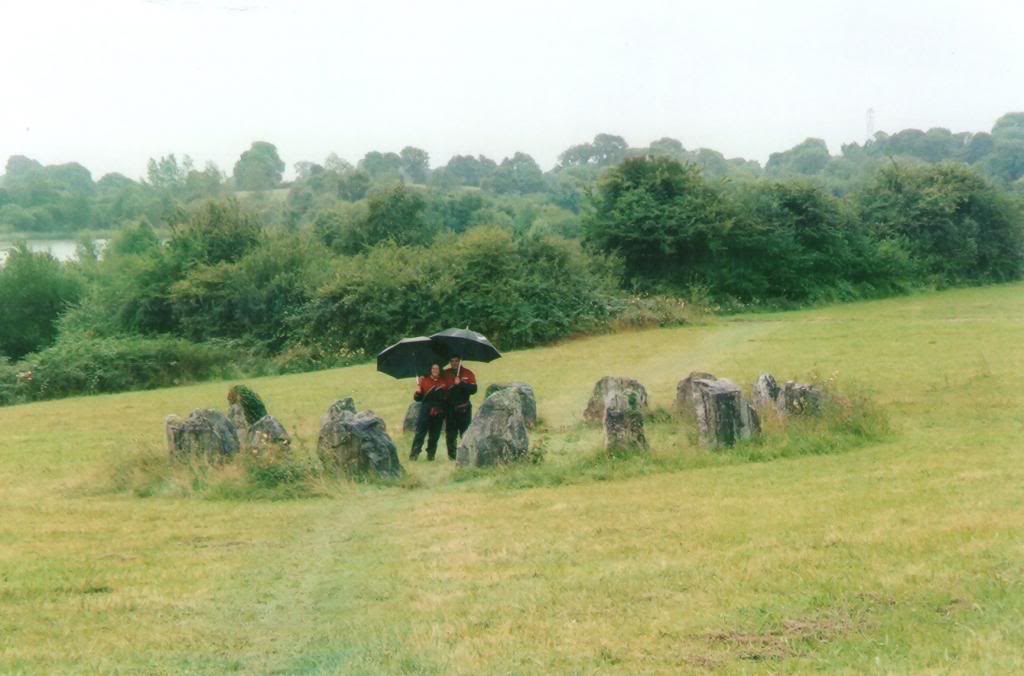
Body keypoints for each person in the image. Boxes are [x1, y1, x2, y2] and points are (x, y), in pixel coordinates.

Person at [410, 363, 447, 461]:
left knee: (434, 435)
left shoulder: (443, 381)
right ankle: (414, 455)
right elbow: (417, 398)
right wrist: (417, 392)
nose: (435, 370)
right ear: (430, 370)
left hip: (439, 411)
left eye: (437, 368)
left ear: (440, 370)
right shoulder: (424, 380)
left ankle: (431, 456)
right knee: (420, 433)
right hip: (425, 411)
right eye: (433, 368)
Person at [443, 355, 477, 460]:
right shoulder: (445, 373)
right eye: (452, 361)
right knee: (450, 434)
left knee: (465, 433)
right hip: (450, 410)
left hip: (464, 409)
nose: (454, 363)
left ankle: (466, 456)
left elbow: (474, 389)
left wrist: (461, 383)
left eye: (456, 361)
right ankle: (452, 457)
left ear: (460, 361)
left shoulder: (468, 373)